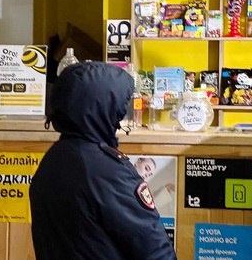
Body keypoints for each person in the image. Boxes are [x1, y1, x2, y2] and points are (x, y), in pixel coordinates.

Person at [30, 62, 176, 260]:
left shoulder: (53, 159)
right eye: (120, 107)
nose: (122, 114)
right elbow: (152, 247)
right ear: (103, 107)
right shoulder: (107, 170)